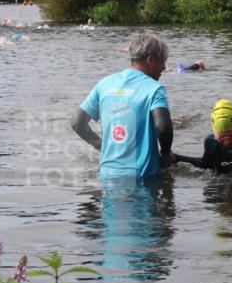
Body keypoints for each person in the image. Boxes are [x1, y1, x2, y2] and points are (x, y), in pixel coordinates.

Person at [71, 32, 175, 180]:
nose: (164, 67)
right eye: (163, 61)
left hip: (107, 175)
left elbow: (77, 123)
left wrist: (102, 147)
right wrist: (165, 154)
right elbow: (163, 126)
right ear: (150, 59)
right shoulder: (154, 89)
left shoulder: (104, 84)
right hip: (142, 178)